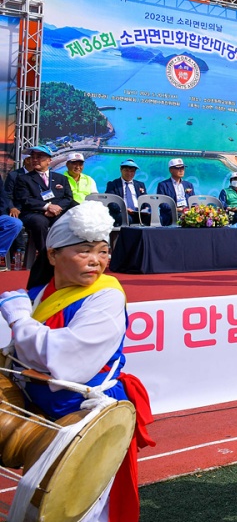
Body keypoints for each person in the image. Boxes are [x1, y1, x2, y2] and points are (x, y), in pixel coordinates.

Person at [0, 201, 154, 521]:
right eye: (84, 251)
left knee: (81, 510)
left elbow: (65, 359)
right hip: (46, 414)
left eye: (103, 251)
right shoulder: (45, 291)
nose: (96, 261)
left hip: (83, 417)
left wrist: (19, 320)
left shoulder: (107, 296)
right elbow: (26, 354)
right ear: (53, 254)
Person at [14, 145, 77, 287]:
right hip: (33, 213)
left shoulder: (60, 178)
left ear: (49, 160)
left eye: (39, 157)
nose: (35, 160)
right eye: (33, 157)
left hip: (57, 212)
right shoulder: (23, 179)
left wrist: (58, 207)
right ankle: (46, 258)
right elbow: (25, 199)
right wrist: (47, 207)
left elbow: (68, 197)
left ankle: (68, 256)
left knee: (69, 221)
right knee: (39, 222)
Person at [105, 159, 149, 227]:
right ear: (121, 170)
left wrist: (146, 208)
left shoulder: (140, 185)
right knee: (127, 219)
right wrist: (123, 208)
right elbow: (111, 202)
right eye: (126, 171)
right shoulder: (113, 184)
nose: (129, 174)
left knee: (152, 218)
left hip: (138, 213)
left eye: (132, 171)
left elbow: (146, 200)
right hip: (121, 212)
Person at [155, 158, 194, 225]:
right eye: (178, 168)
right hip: (172, 213)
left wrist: (192, 209)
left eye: (183, 168)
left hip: (187, 211)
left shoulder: (188, 185)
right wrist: (177, 209)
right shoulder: (163, 185)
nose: (181, 170)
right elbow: (162, 204)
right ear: (171, 170)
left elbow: (193, 201)